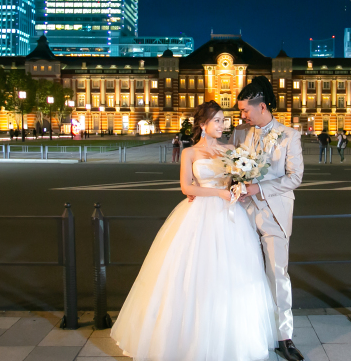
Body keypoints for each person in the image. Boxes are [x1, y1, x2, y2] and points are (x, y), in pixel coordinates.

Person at [111, 101, 277, 361]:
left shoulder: (232, 149)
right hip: (199, 213)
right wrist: (219, 192)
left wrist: (239, 188)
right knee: (192, 274)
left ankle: (230, 338)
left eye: (224, 120)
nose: (223, 125)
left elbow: (238, 179)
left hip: (230, 216)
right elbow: (187, 188)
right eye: (218, 121)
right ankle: (189, 339)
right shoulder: (189, 153)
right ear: (203, 125)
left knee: (230, 274)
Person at [232, 76, 305, 361]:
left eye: (245, 111)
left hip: (275, 213)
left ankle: (284, 336)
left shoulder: (290, 136)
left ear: (262, 106)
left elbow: (294, 178)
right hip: (243, 215)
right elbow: (231, 169)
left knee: (277, 275)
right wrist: (234, 186)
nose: (241, 116)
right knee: (246, 274)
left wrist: (258, 188)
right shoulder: (239, 134)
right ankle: (252, 330)